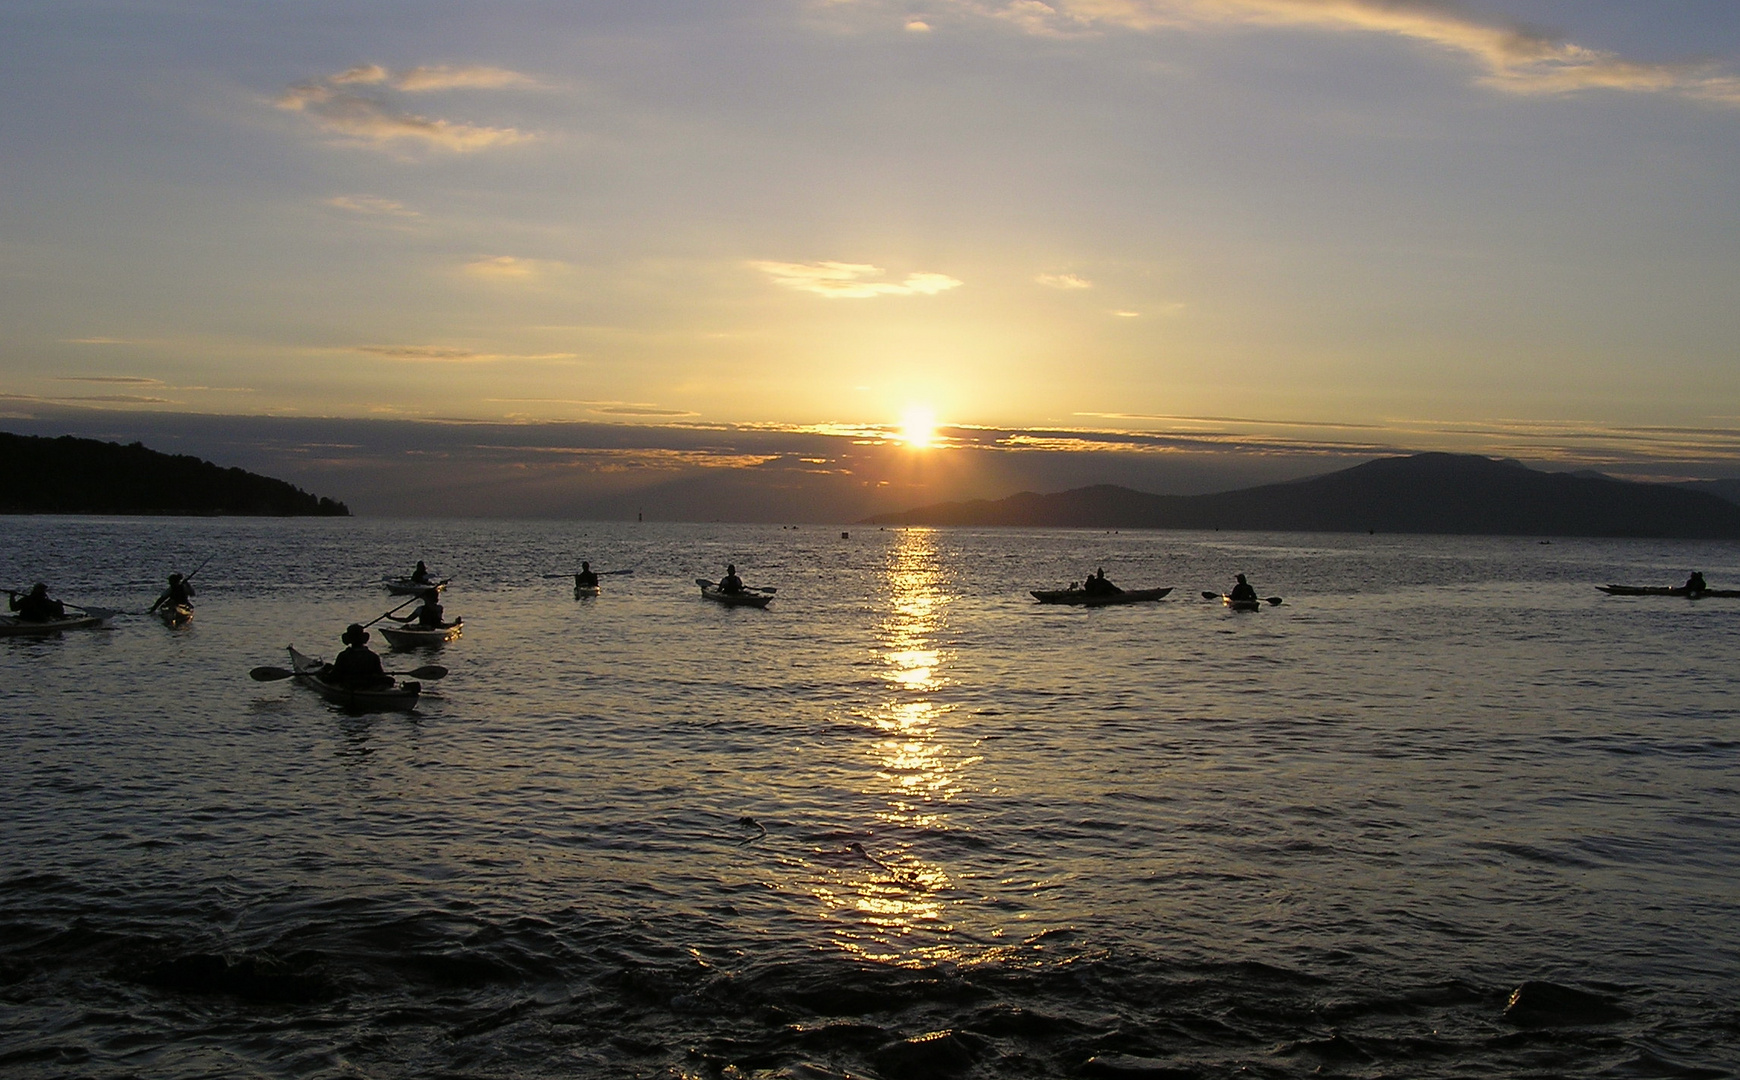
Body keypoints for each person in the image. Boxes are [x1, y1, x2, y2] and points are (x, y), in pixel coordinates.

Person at [327, 624, 392, 689]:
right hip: (369, 685)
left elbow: (334, 676)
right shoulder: (373, 656)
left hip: (350, 686)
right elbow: (380, 674)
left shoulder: (343, 656)